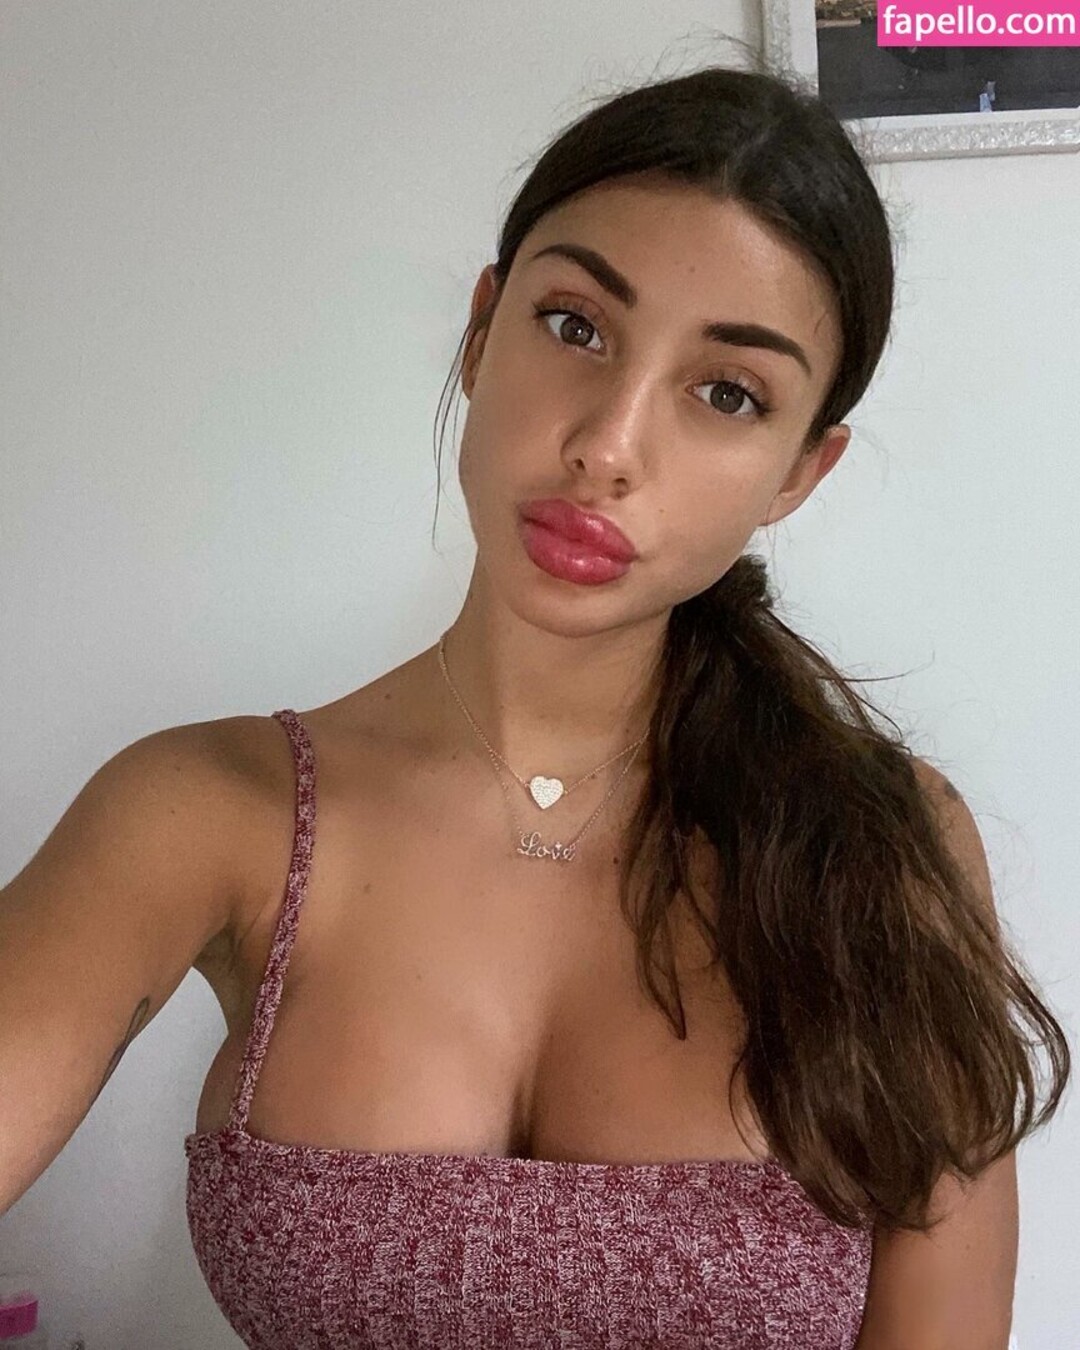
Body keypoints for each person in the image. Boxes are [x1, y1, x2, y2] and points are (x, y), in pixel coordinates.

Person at [0, 61, 1069, 1350]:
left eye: (727, 393)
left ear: (800, 471)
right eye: (576, 325)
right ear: (479, 330)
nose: (607, 444)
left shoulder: (884, 849)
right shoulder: (207, 813)